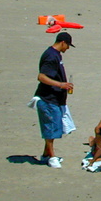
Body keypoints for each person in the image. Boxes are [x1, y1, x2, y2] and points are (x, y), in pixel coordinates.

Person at [33, 32, 74, 168]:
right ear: (63, 42)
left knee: (54, 128)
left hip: (55, 99)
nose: (67, 48)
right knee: (50, 130)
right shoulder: (51, 56)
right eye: (67, 45)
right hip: (48, 99)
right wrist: (61, 85)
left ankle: (46, 155)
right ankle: (52, 157)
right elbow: (42, 77)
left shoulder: (56, 55)